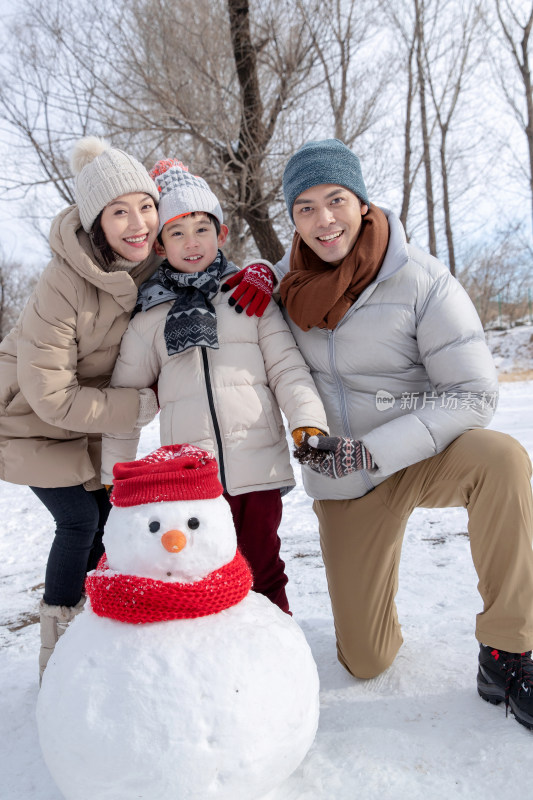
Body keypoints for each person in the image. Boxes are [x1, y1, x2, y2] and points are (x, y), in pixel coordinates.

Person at [232, 138, 533, 730]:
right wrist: (258, 273)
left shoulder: (419, 279)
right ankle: (374, 621)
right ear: (291, 218)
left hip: (419, 453)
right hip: (345, 481)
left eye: (336, 200)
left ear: (362, 203)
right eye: (306, 208)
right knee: (365, 661)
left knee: (502, 459)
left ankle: (508, 648)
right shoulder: (281, 288)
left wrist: (375, 450)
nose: (324, 220)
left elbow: (474, 392)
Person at [100, 159, 328, 614]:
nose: (191, 243)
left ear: (221, 235)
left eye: (201, 229)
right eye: (177, 232)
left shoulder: (250, 297)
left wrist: (307, 421)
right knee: (204, 574)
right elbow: (121, 403)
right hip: (193, 480)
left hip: (258, 465)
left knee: (264, 568)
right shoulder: (148, 321)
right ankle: (220, 670)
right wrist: (115, 477)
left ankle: (278, 662)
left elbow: (286, 368)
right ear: (160, 247)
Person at [0, 137, 161, 681]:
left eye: (146, 205)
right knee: (78, 521)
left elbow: (201, 254)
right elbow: (48, 394)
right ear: (97, 224)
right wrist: (136, 406)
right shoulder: (62, 281)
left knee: (107, 522)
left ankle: (96, 633)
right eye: (120, 211)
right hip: (24, 420)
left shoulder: (148, 266)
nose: (138, 222)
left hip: (81, 425)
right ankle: (57, 651)